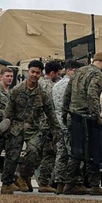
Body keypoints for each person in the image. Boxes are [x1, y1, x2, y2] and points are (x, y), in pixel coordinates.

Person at [0, 61, 57, 193]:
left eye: (37, 73)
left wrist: (56, 130)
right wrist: (5, 129)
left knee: (33, 152)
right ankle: (7, 183)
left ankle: (23, 177)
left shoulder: (43, 93)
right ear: (28, 72)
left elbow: (51, 113)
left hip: (34, 128)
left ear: (41, 74)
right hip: (16, 127)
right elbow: (8, 112)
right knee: (12, 156)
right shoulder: (16, 91)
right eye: (32, 72)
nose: (34, 75)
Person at [60, 50, 102, 195]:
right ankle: (94, 185)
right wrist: (97, 118)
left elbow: (67, 95)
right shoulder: (97, 75)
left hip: (73, 117)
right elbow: (92, 95)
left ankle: (70, 183)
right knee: (93, 152)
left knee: (76, 152)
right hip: (87, 118)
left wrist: (65, 115)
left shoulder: (78, 72)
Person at [35, 59, 64, 191]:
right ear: (52, 73)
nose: (59, 77)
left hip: (36, 125)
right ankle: (44, 183)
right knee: (49, 153)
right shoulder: (52, 87)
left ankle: (21, 178)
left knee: (35, 153)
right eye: (58, 74)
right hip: (47, 125)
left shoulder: (38, 83)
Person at [50, 59, 79, 188]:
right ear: (69, 70)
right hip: (68, 123)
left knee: (61, 153)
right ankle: (71, 181)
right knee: (72, 153)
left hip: (58, 122)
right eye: (76, 71)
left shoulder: (56, 84)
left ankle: (59, 181)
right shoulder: (71, 85)